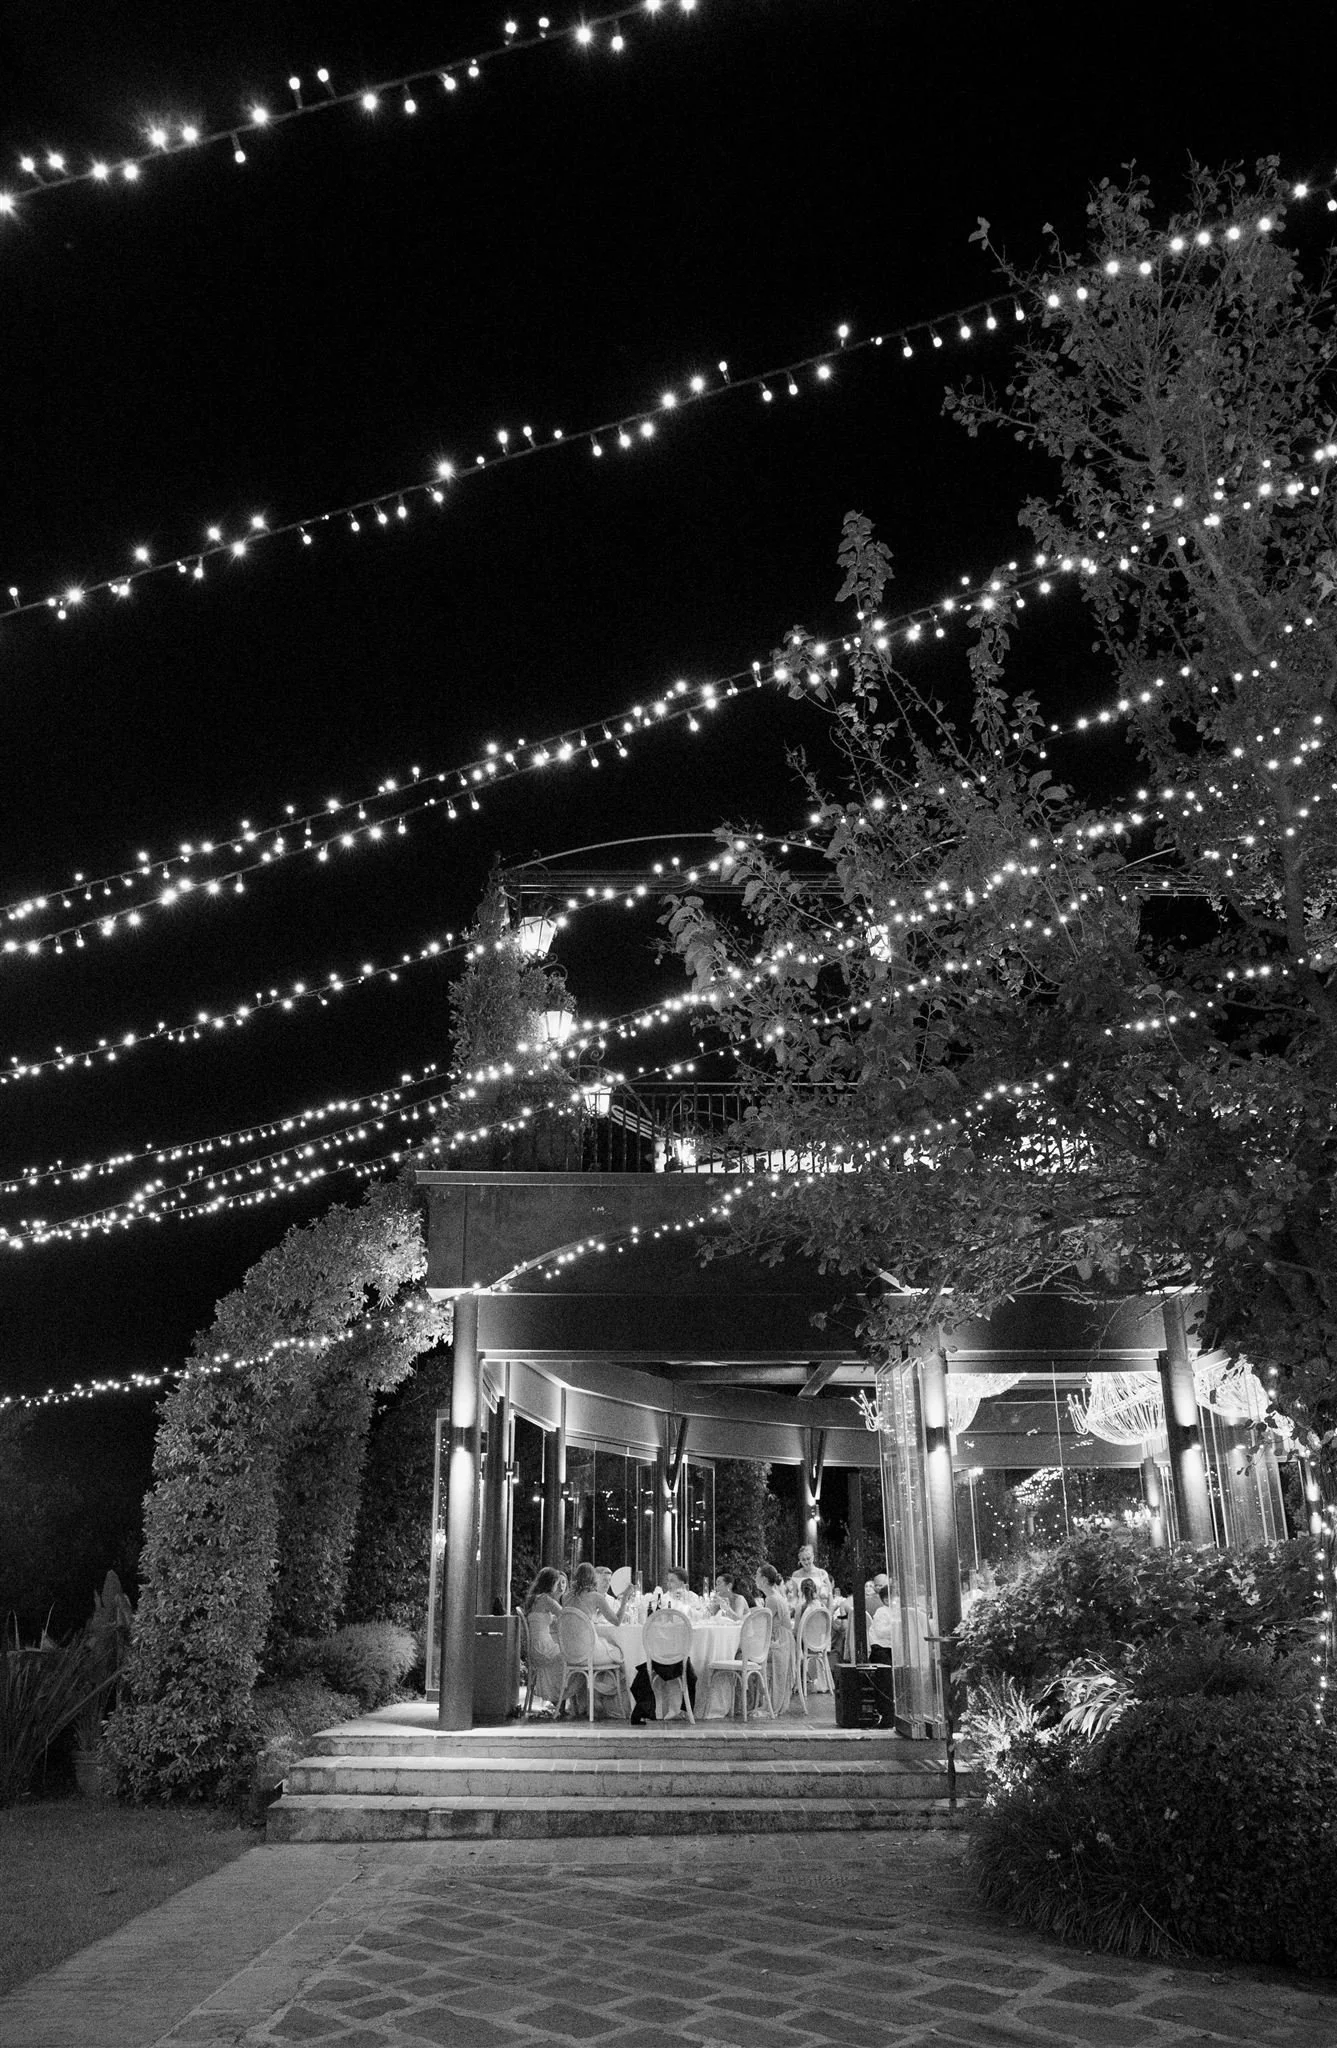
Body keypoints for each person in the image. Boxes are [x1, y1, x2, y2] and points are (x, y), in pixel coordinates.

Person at [561, 1561, 629, 1717]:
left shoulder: (566, 1597)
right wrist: (624, 1599)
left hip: (571, 1652)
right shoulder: (596, 1597)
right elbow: (617, 1621)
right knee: (621, 1655)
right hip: (590, 1652)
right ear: (593, 1578)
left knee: (610, 1649)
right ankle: (616, 1705)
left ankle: (591, 1701)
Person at [521, 1566, 568, 1708]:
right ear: (550, 1583)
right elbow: (567, 1616)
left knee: (567, 1657)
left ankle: (559, 1701)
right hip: (544, 1648)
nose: (558, 1586)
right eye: (556, 1582)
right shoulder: (546, 1599)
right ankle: (560, 1699)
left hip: (536, 1648)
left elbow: (541, 1620)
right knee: (572, 1659)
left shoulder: (534, 1599)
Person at [755, 1561, 795, 1709]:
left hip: (780, 1644)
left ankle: (755, 1702)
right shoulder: (774, 1595)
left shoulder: (772, 1599)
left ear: (764, 1580)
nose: (755, 1578)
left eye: (757, 1575)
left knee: (745, 1655)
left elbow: (763, 1625)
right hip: (783, 1640)